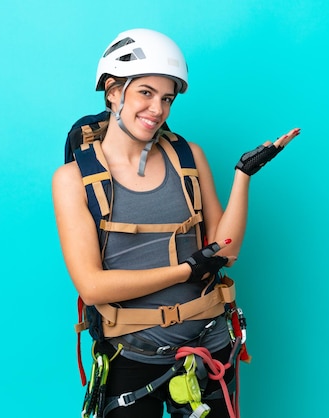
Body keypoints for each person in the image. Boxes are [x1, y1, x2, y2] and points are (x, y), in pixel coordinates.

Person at [52, 28, 300, 418]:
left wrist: (242, 176)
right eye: (145, 93)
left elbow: (227, 251)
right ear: (113, 91)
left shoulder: (189, 157)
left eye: (166, 98)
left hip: (208, 346)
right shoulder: (72, 179)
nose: (157, 109)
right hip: (129, 354)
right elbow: (93, 285)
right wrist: (185, 269)